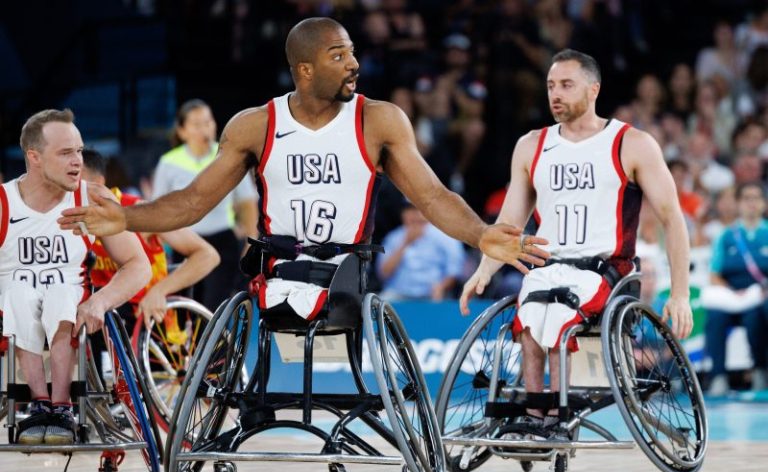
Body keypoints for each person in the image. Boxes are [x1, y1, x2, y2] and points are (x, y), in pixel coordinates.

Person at [58, 18, 549, 317]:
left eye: (352, 52)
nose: (354, 64)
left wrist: (480, 234)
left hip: (347, 273)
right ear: (306, 70)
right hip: (277, 270)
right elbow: (192, 202)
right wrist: (126, 218)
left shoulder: (378, 120)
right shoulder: (255, 125)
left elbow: (433, 196)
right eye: (339, 55)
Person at [460, 49, 693, 435]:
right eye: (551, 85)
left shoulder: (630, 143)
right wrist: (484, 270)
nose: (556, 94)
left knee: (557, 317)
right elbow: (509, 223)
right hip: (548, 266)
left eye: (566, 85)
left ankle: (557, 418)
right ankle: (534, 417)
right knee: (529, 317)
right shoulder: (531, 145)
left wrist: (680, 293)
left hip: (605, 270)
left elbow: (672, 217)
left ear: (593, 89)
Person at [0, 109, 151, 445]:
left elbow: (138, 265)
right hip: (12, 307)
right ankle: (39, 404)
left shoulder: (92, 199)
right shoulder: (3, 202)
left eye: (79, 151)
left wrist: (100, 301)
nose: (77, 161)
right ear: (35, 157)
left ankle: (61, 407)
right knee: (18, 293)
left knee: (59, 294)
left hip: (70, 304)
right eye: (66, 153)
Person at [81, 148, 220, 333]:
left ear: (98, 183)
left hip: (145, 318)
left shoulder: (136, 211)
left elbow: (208, 255)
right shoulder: (64, 219)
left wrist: (160, 290)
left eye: (76, 180)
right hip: (101, 316)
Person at [152, 99, 258, 311]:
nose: (204, 129)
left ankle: (215, 333)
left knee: (214, 307)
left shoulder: (229, 156)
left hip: (222, 241)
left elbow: (247, 203)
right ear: (182, 131)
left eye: (208, 122)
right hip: (185, 243)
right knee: (185, 310)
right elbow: (157, 209)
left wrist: (251, 241)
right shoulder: (169, 162)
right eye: (196, 124)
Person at [703, 181, 768, 396]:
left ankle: (760, 371)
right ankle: (718, 376)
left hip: (760, 297)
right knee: (715, 317)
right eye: (746, 198)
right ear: (738, 203)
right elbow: (714, 274)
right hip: (731, 296)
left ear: (764, 203)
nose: (751, 203)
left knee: (755, 317)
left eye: (756, 198)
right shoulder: (726, 235)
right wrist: (732, 292)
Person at [377, 202, 466, 301]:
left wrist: (442, 286)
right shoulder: (393, 237)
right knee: (381, 301)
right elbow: (383, 273)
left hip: (431, 293)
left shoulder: (445, 236)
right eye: (410, 210)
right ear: (403, 214)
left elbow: (455, 271)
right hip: (398, 293)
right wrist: (405, 243)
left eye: (419, 209)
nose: (415, 214)